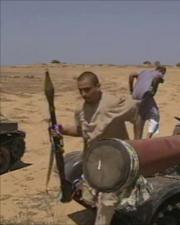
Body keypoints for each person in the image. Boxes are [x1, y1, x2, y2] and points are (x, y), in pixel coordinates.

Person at [53, 71, 142, 225]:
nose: (83, 93)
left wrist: (138, 144)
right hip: (94, 159)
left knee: (107, 200)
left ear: (98, 87)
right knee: (91, 196)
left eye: (87, 89)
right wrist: (62, 129)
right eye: (80, 90)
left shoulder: (113, 103)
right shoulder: (80, 109)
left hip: (116, 159)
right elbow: (83, 131)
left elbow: (137, 117)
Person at [129, 66, 166, 139]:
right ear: (163, 71)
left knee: (139, 116)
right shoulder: (158, 74)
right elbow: (157, 79)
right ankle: (147, 138)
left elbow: (131, 75)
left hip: (135, 96)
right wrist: (153, 91)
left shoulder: (144, 72)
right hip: (145, 95)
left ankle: (137, 139)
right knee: (155, 116)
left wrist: (131, 89)